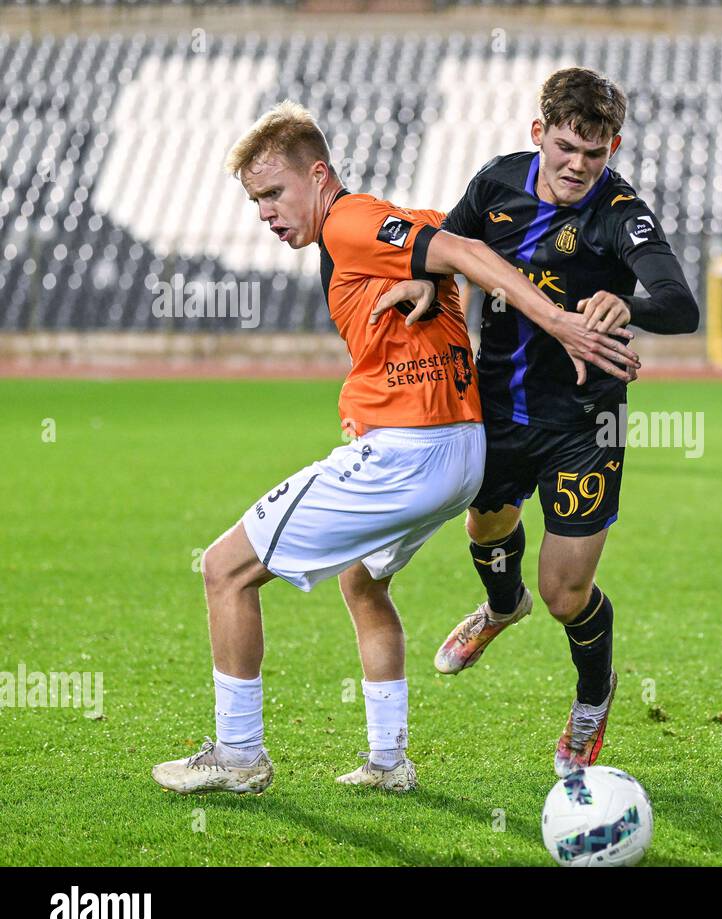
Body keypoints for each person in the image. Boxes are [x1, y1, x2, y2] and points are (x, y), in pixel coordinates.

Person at [151, 100, 638, 795]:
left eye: (273, 192)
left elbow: (468, 252)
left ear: (318, 175)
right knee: (363, 579)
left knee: (226, 570)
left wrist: (559, 320)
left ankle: (237, 753)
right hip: (463, 448)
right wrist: (439, 286)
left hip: (411, 450)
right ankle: (388, 763)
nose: (265, 210)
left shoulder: (349, 221)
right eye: (255, 199)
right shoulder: (392, 224)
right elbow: (461, 244)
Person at [380, 67, 698, 777]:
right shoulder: (496, 184)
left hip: (587, 425)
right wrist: (424, 284)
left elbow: (681, 304)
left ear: (612, 148)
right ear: (538, 135)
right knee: (484, 527)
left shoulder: (620, 213)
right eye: (566, 149)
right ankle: (500, 606)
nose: (580, 167)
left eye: (596, 153)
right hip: (497, 409)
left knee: (566, 594)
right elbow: (445, 248)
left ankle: (593, 697)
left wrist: (630, 307)